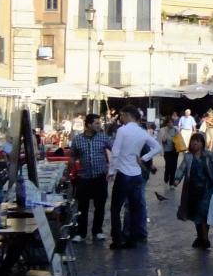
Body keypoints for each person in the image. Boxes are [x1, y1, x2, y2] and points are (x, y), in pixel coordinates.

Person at [108, 106, 161, 249]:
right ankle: (133, 240)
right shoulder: (142, 132)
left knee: (115, 209)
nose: (121, 118)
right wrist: (144, 158)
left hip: (123, 174)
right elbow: (157, 147)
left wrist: (111, 171)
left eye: (122, 115)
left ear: (127, 115)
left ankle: (117, 240)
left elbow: (115, 152)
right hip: (136, 174)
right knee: (135, 208)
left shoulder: (122, 130)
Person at [70, 114, 113, 242]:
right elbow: (73, 157)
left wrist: (113, 168)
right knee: (82, 206)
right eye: (96, 123)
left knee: (100, 205)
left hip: (100, 177)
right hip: (84, 178)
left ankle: (97, 231)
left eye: (99, 123)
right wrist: (67, 173)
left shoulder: (103, 138)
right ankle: (81, 233)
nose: (99, 125)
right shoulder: (77, 139)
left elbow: (115, 150)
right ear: (88, 124)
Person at [178, 133, 213, 250]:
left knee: (203, 213)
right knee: (196, 214)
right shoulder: (188, 156)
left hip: (207, 189)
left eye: (198, 141)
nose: (195, 143)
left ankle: (205, 239)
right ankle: (200, 237)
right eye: (193, 141)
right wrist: (177, 179)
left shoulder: (210, 155)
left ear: (202, 143)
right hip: (192, 190)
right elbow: (182, 168)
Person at [159, 113, 181, 188]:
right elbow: (163, 140)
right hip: (167, 151)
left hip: (175, 151)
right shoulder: (162, 130)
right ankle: (166, 175)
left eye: (171, 122)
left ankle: (171, 183)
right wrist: (166, 131)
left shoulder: (176, 129)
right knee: (168, 165)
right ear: (166, 123)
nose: (170, 124)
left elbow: (179, 139)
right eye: (169, 122)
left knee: (174, 166)